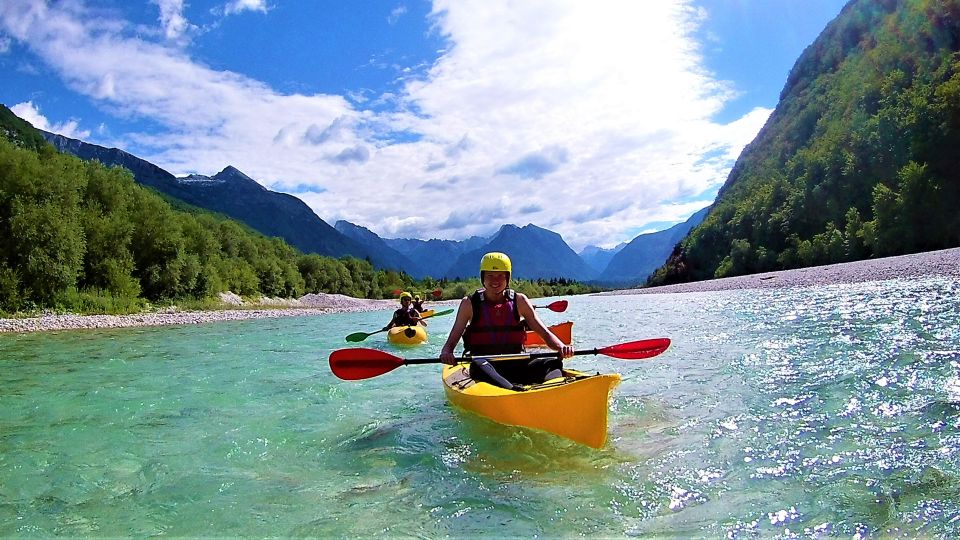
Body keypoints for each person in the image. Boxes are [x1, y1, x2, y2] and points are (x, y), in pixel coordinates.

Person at [439, 252, 573, 390]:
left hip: (516, 363)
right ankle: (514, 391)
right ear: (483, 278)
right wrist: (446, 352)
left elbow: (545, 333)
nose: (495, 280)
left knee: (552, 363)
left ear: (507, 278)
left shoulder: (520, 301)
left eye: (500, 276)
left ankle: (554, 389)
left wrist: (562, 347)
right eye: (490, 276)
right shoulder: (469, 303)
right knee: (479, 366)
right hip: (485, 365)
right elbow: (451, 341)